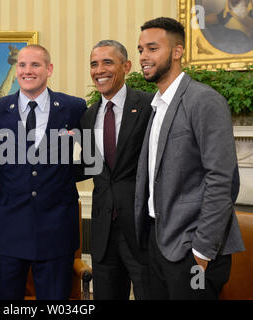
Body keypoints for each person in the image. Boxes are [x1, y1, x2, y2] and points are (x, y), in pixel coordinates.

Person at [135, 17, 245, 299]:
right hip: (157, 244)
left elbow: (222, 180)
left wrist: (201, 251)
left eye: (152, 48)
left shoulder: (204, 100)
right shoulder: (156, 105)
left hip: (191, 252)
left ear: (177, 51)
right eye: (140, 50)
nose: (144, 57)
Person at [0, 44, 87, 300]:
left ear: (49, 69)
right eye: (22, 65)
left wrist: (62, 176)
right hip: (6, 233)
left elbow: (92, 158)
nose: (28, 71)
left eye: (35, 65)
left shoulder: (74, 108)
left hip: (56, 231)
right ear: (17, 70)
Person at [80, 40, 152, 300]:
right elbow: (92, 165)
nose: (99, 70)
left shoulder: (149, 107)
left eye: (107, 62)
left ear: (127, 66)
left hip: (141, 229)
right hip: (102, 233)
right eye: (94, 64)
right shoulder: (88, 116)